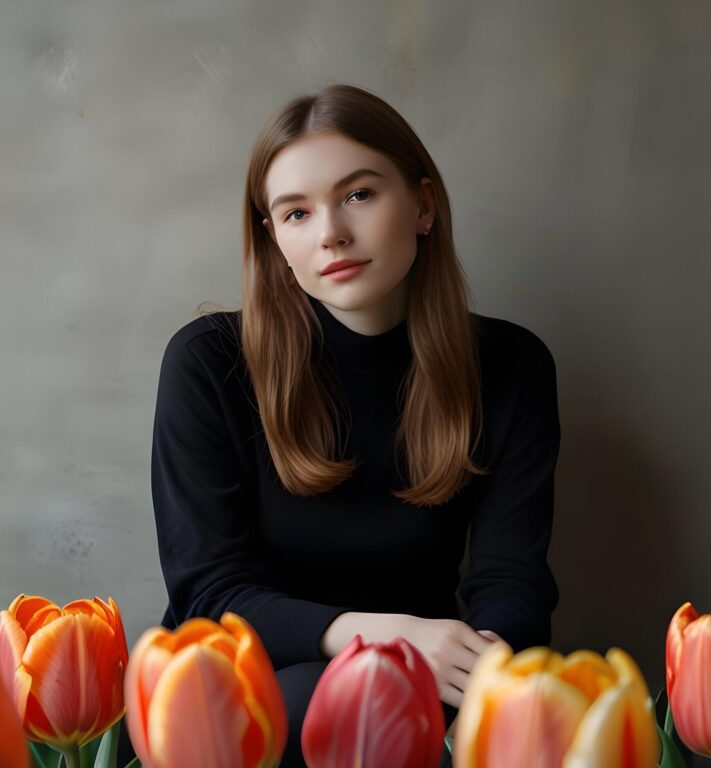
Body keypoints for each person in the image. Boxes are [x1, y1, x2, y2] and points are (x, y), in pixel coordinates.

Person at [119, 83, 560, 767]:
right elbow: (211, 593)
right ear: (274, 238)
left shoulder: (510, 366)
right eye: (296, 213)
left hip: (430, 675)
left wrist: (482, 669)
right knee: (305, 702)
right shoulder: (210, 364)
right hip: (245, 687)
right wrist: (389, 637)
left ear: (422, 205)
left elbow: (514, 582)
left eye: (358, 195)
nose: (330, 233)